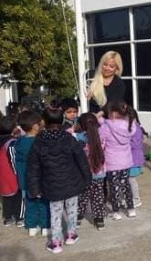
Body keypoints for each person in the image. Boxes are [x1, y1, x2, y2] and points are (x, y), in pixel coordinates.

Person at [27, 107, 92, 254]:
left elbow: (33, 167)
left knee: (55, 213)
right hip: (71, 182)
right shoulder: (69, 138)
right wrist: (87, 178)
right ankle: (71, 234)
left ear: (44, 121)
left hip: (51, 185)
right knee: (71, 210)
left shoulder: (39, 141)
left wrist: (34, 188)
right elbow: (81, 159)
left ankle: (56, 242)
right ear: (62, 120)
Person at [99, 101, 137, 221]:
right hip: (125, 160)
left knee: (114, 187)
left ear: (114, 113)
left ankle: (116, 211)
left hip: (112, 161)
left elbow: (101, 139)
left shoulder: (105, 127)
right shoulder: (130, 125)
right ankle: (131, 209)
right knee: (126, 185)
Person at [14, 111, 50, 236]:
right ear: (35, 125)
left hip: (25, 180)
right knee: (44, 203)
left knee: (30, 203)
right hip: (40, 179)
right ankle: (45, 226)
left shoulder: (19, 142)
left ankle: (32, 227)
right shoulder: (40, 141)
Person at [74, 113, 106, 230]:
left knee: (82, 197)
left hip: (83, 174)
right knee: (98, 197)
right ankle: (99, 220)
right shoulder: (101, 137)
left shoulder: (78, 139)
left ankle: (77, 218)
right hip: (99, 173)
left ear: (81, 125)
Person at [0, 116, 24, 227]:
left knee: (6, 196)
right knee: (18, 195)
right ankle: (19, 217)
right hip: (11, 173)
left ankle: (8, 217)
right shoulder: (11, 143)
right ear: (14, 128)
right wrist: (18, 172)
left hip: (2, 174)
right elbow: (13, 158)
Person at [129, 108, 146, 208]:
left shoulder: (134, 128)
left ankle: (136, 198)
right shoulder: (135, 126)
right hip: (132, 158)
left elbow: (135, 144)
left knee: (131, 179)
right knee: (129, 179)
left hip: (134, 159)